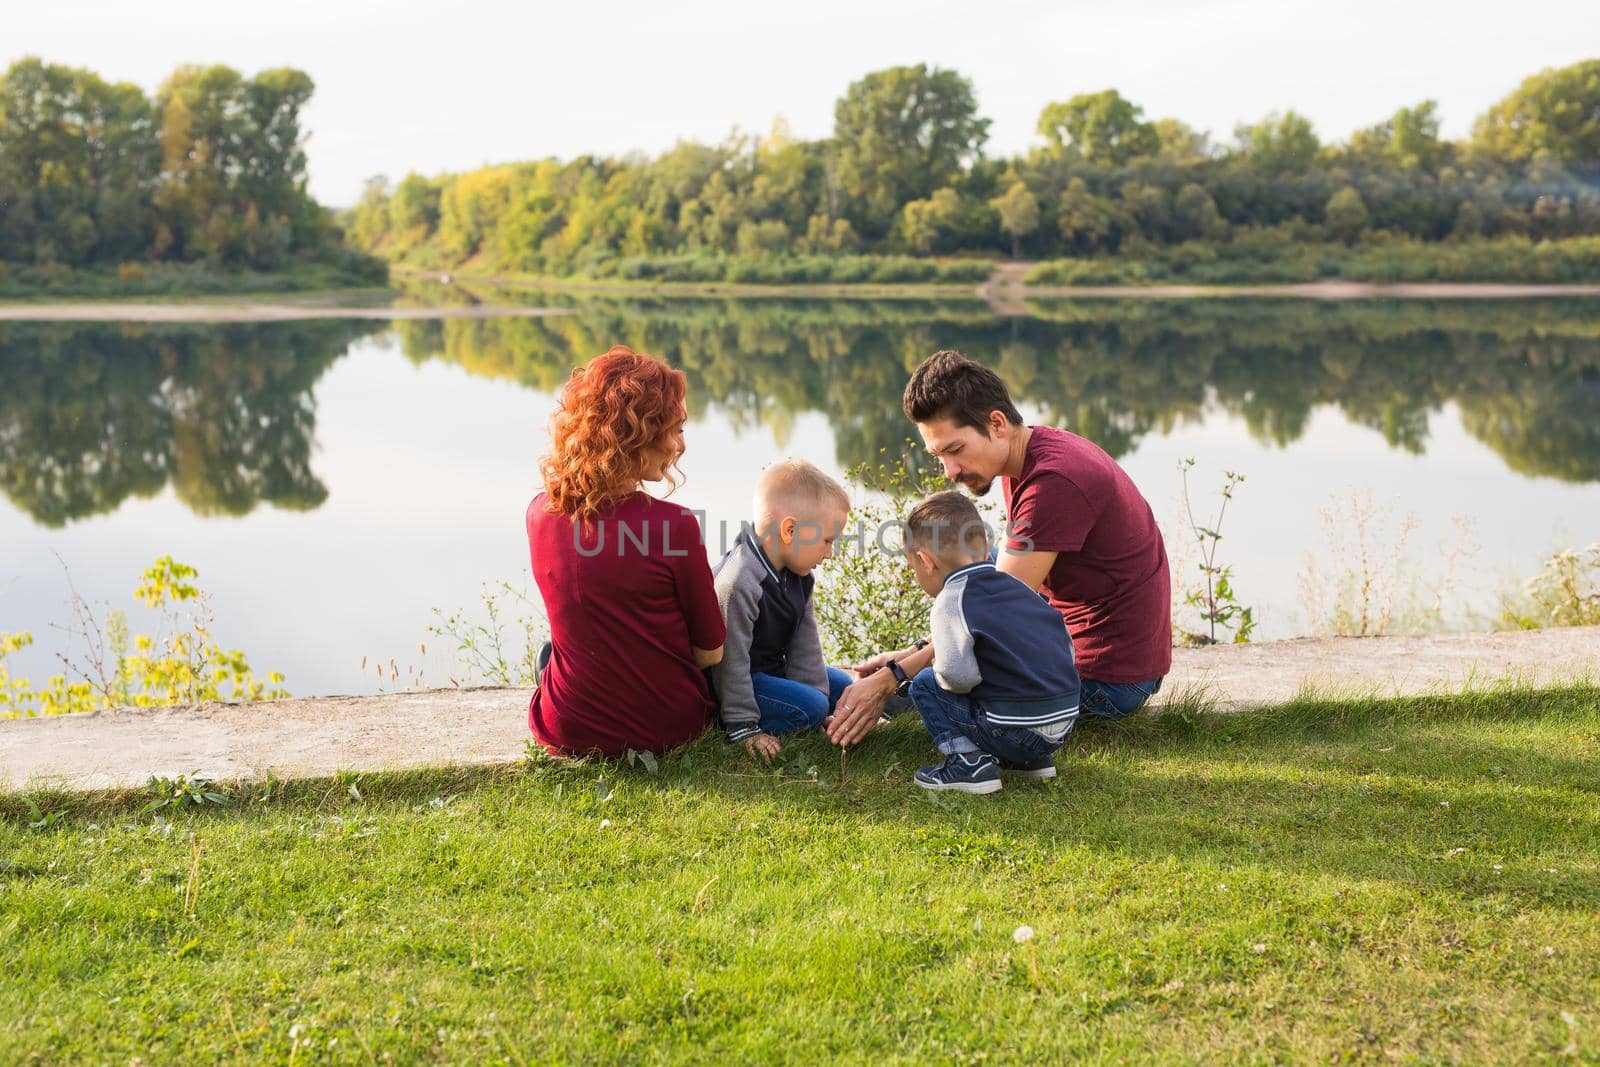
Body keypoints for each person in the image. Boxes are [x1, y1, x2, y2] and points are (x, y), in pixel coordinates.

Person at [829, 349, 1170, 746]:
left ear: (996, 423)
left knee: (916, 692)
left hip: (1107, 679)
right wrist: (912, 653)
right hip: (1084, 645)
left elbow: (991, 617)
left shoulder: (1053, 483)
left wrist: (896, 675)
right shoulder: (1027, 455)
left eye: (954, 451)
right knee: (966, 565)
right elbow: (993, 596)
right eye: (938, 456)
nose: (950, 472)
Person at [525, 345, 725, 757]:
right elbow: (709, 651)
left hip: (569, 725)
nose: (678, 445)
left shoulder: (538, 514)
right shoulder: (675, 525)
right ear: (636, 436)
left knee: (552, 653)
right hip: (668, 727)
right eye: (671, 430)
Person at [896, 491, 1081, 794]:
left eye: (913, 568)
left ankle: (969, 764)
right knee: (1004, 675)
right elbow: (1062, 643)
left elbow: (957, 677)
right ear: (984, 551)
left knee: (927, 683)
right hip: (1060, 727)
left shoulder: (951, 600)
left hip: (1012, 730)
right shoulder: (1020, 588)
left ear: (925, 561)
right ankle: (1032, 762)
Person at [712, 459, 854, 762]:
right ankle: (731, 725)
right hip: (736, 682)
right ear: (790, 530)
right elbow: (730, 662)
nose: (830, 553)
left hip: (771, 669)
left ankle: (808, 713)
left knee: (843, 688)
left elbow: (806, 647)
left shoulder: (799, 576)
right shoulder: (740, 581)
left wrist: (818, 699)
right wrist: (744, 727)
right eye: (827, 541)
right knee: (813, 705)